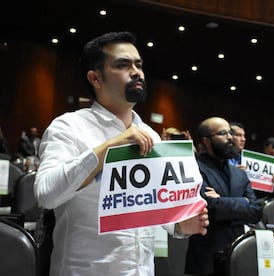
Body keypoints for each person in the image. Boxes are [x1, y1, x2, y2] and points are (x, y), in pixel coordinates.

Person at [34, 31, 209, 276]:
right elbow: (46, 194)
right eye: (123, 65)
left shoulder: (152, 135)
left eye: (139, 64)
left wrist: (181, 225)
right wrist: (109, 148)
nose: (137, 71)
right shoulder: (69, 126)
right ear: (95, 78)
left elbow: (152, 205)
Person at [184, 117, 263, 275]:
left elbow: (256, 211)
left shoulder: (239, 173)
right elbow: (209, 208)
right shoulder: (193, 167)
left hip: (238, 257)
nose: (230, 137)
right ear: (207, 141)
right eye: (222, 133)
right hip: (206, 258)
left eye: (230, 132)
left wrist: (222, 201)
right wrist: (244, 202)